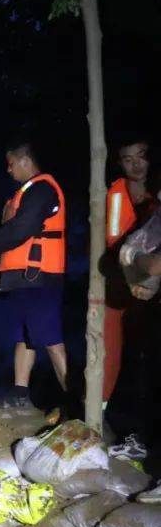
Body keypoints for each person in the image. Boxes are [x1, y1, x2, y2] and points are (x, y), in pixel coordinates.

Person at [0, 140, 68, 409]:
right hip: (24, 278)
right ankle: (20, 392)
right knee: (24, 335)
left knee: (51, 339)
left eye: (11, 164)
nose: (9, 170)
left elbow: (22, 230)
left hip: (40, 277)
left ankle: (77, 404)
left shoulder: (42, 189)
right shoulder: (25, 192)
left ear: (26, 161)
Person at [102, 138, 156, 403]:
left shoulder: (155, 193)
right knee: (119, 353)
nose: (136, 165)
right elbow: (114, 242)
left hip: (151, 286)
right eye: (128, 159)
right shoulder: (117, 195)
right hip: (123, 283)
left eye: (141, 156)